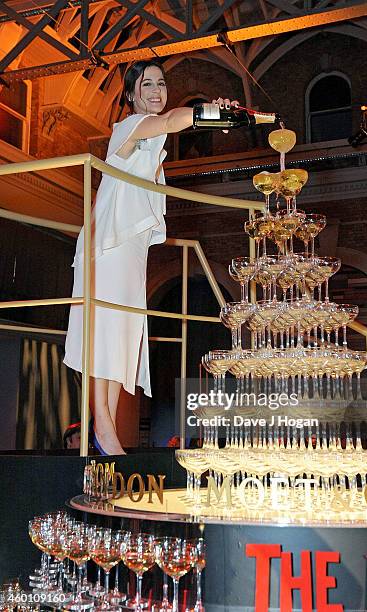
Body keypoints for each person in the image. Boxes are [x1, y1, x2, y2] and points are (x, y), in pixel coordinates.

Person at [64, 59, 237, 455]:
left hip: (129, 248)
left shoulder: (151, 142)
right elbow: (173, 120)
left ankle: (104, 426)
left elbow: (170, 123)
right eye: (147, 84)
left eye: (161, 83)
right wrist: (207, 112)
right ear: (131, 94)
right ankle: (104, 427)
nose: (156, 90)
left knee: (118, 332)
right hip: (108, 244)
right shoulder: (129, 127)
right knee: (104, 330)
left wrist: (213, 116)